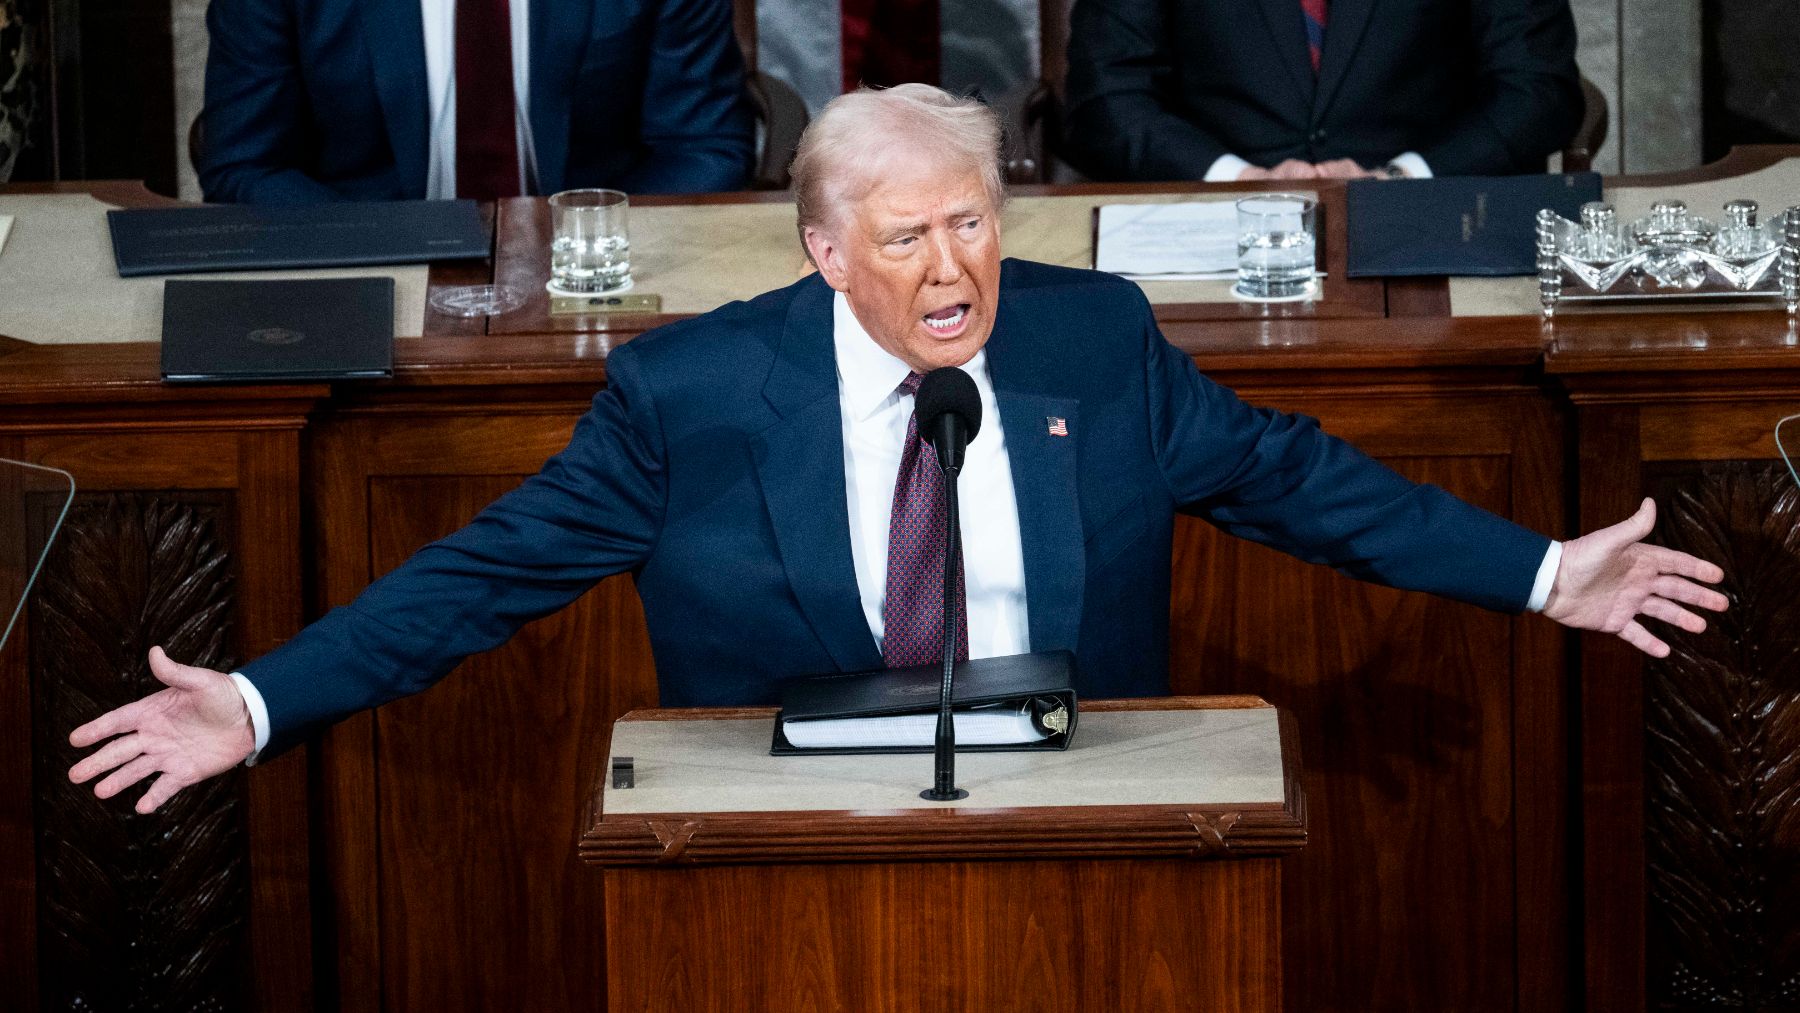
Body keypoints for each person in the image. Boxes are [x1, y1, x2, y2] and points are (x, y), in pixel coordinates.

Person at [72, 85, 1724, 813]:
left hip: (1090, 806)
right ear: (822, 253)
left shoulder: (1089, 338)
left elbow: (1299, 479)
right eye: (908, 236)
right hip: (787, 823)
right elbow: (485, 573)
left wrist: (1544, 569)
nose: (954, 272)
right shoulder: (692, 395)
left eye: (976, 224)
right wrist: (264, 695)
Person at [197, 0, 755, 204]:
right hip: (362, 285)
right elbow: (247, 163)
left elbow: (704, 146)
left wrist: (589, 243)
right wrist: (379, 247)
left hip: (601, 281)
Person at [1060, 0, 1585, 182]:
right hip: (1206, 211)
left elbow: (1538, 90)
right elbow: (1105, 97)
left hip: (1426, 207)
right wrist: (1236, 179)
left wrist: (1402, 179)